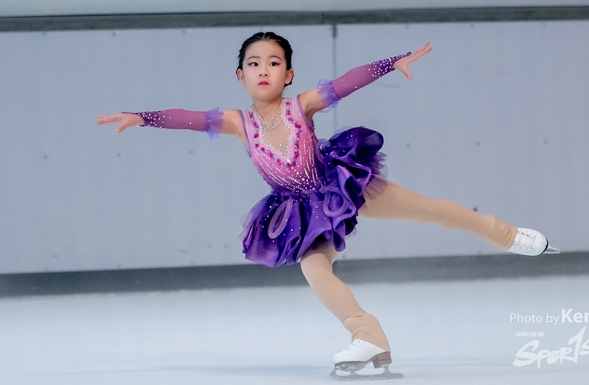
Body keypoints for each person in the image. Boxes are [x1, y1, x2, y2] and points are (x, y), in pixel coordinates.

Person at [98, 31, 558, 380]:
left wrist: (391, 63)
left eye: (274, 62)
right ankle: (367, 335)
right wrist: (143, 117)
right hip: (302, 212)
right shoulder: (237, 122)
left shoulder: (302, 106)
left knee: (430, 209)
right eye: (253, 63)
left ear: (288, 74)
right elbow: (190, 118)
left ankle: (507, 235)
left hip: (341, 184)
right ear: (240, 76)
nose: (263, 70)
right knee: (314, 268)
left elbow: (346, 82)